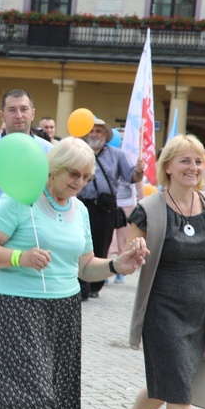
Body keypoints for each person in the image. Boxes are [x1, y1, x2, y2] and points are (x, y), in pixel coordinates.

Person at [0, 137, 148, 409]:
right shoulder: (19, 200)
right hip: (17, 308)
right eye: (73, 174)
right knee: (32, 399)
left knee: (60, 397)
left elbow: (86, 267)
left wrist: (117, 264)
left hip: (64, 311)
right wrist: (19, 257)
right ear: (53, 169)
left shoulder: (79, 210)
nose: (79, 182)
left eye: (86, 176)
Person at [109, 134, 205, 409]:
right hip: (163, 313)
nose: (193, 167)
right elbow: (129, 260)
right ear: (168, 166)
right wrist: (135, 252)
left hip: (199, 312)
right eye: (185, 161)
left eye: (198, 161)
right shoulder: (149, 208)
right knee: (180, 393)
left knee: (170, 383)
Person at [0, 88, 53, 383]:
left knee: (24, 306)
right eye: (12, 110)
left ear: (32, 113)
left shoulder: (47, 151)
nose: (19, 115)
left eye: (24, 109)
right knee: (0, 301)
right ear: (2, 116)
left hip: (32, 238)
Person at [77, 118, 144, 300]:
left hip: (104, 208)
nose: (94, 134)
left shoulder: (116, 155)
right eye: (91, 131)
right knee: (79, 244)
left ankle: (95, 284)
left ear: (106, 135)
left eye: (98, 131)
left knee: (101, 245)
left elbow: (132, 177)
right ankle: (81, 286)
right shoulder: (80, 151)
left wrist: (139, 171)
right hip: (80, 204)